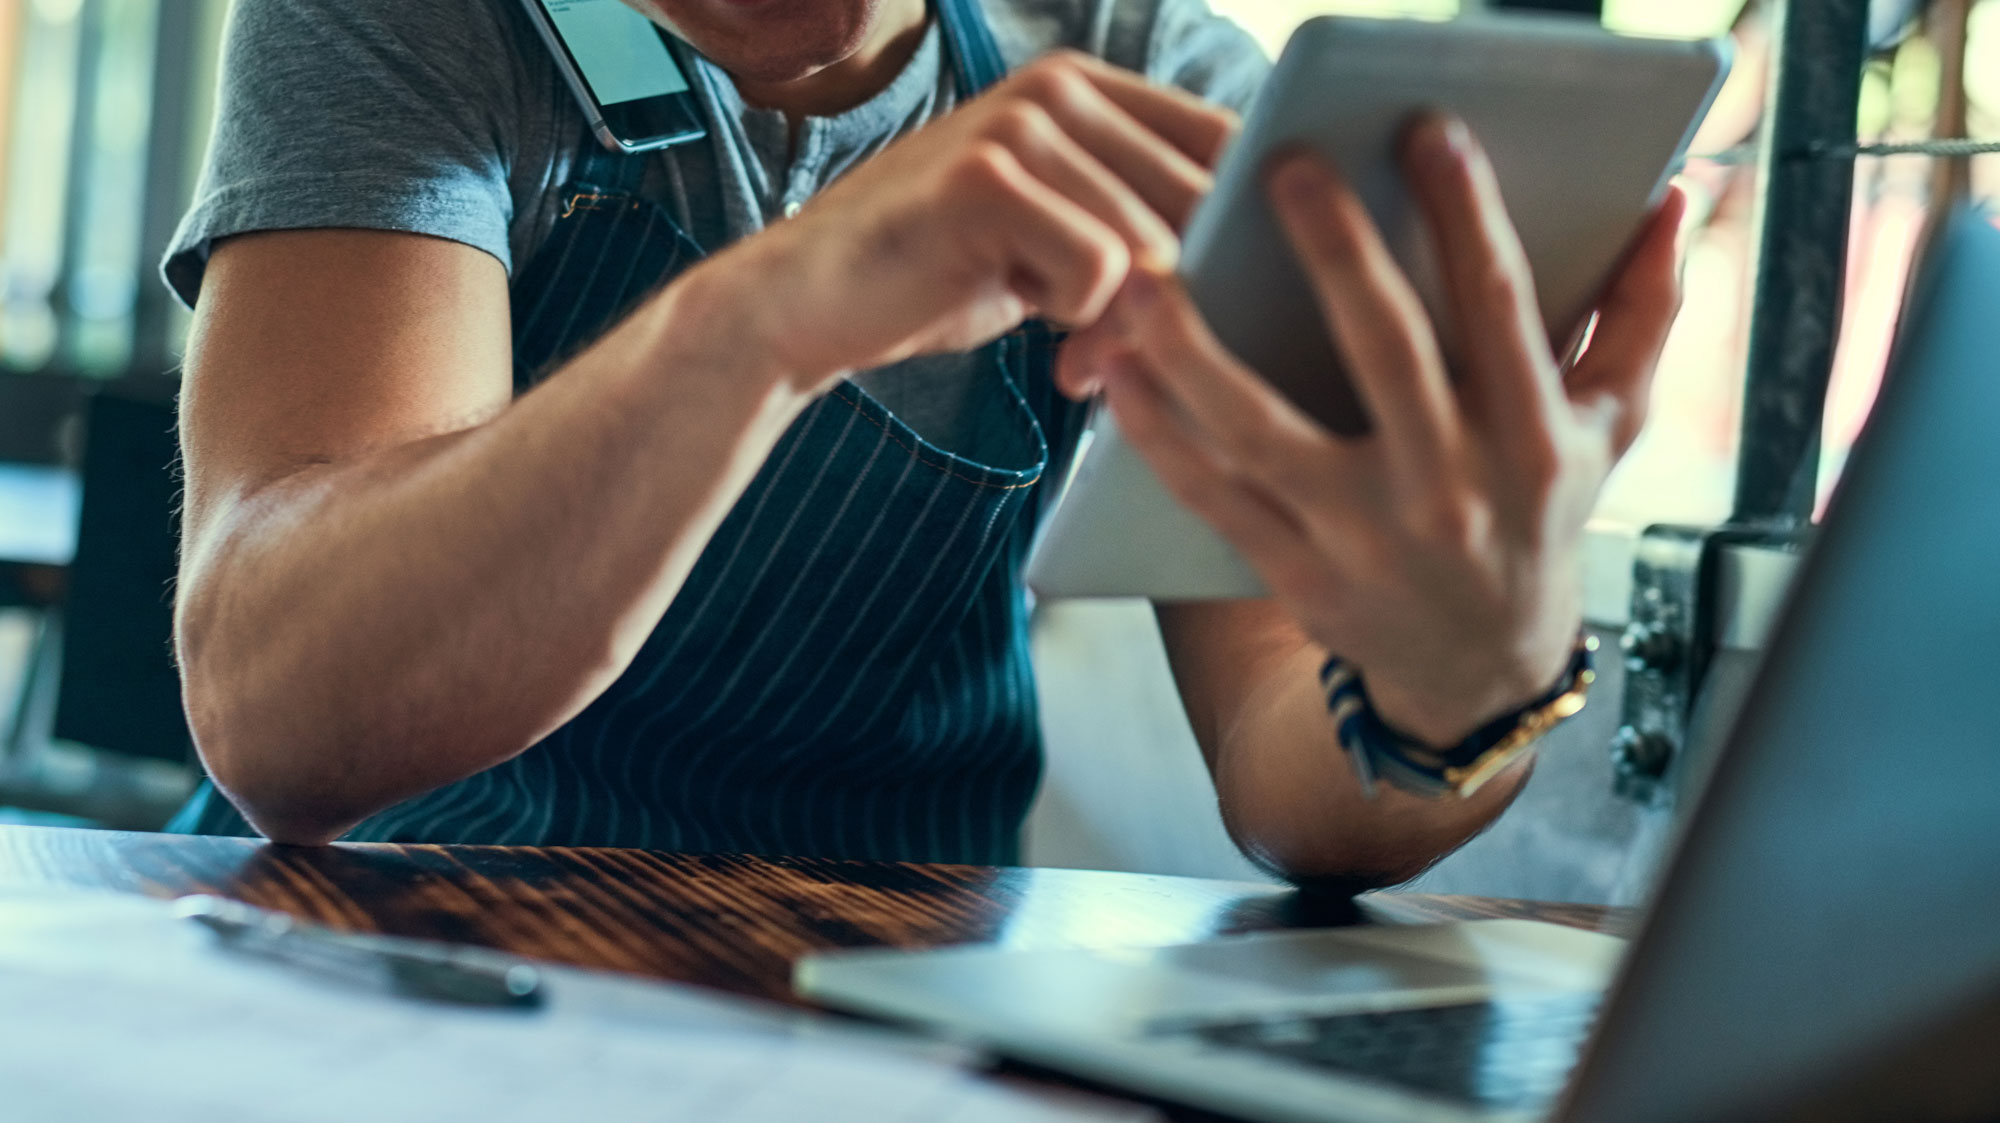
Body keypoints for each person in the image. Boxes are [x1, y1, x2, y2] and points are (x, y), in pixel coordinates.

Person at [162, 0, 1686, 888]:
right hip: (406, 947)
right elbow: (280, 709)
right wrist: (760, 319)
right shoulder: (413, 27)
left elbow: (1294, 768)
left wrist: (1452, 694)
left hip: (884, 980)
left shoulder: (1134, 71)